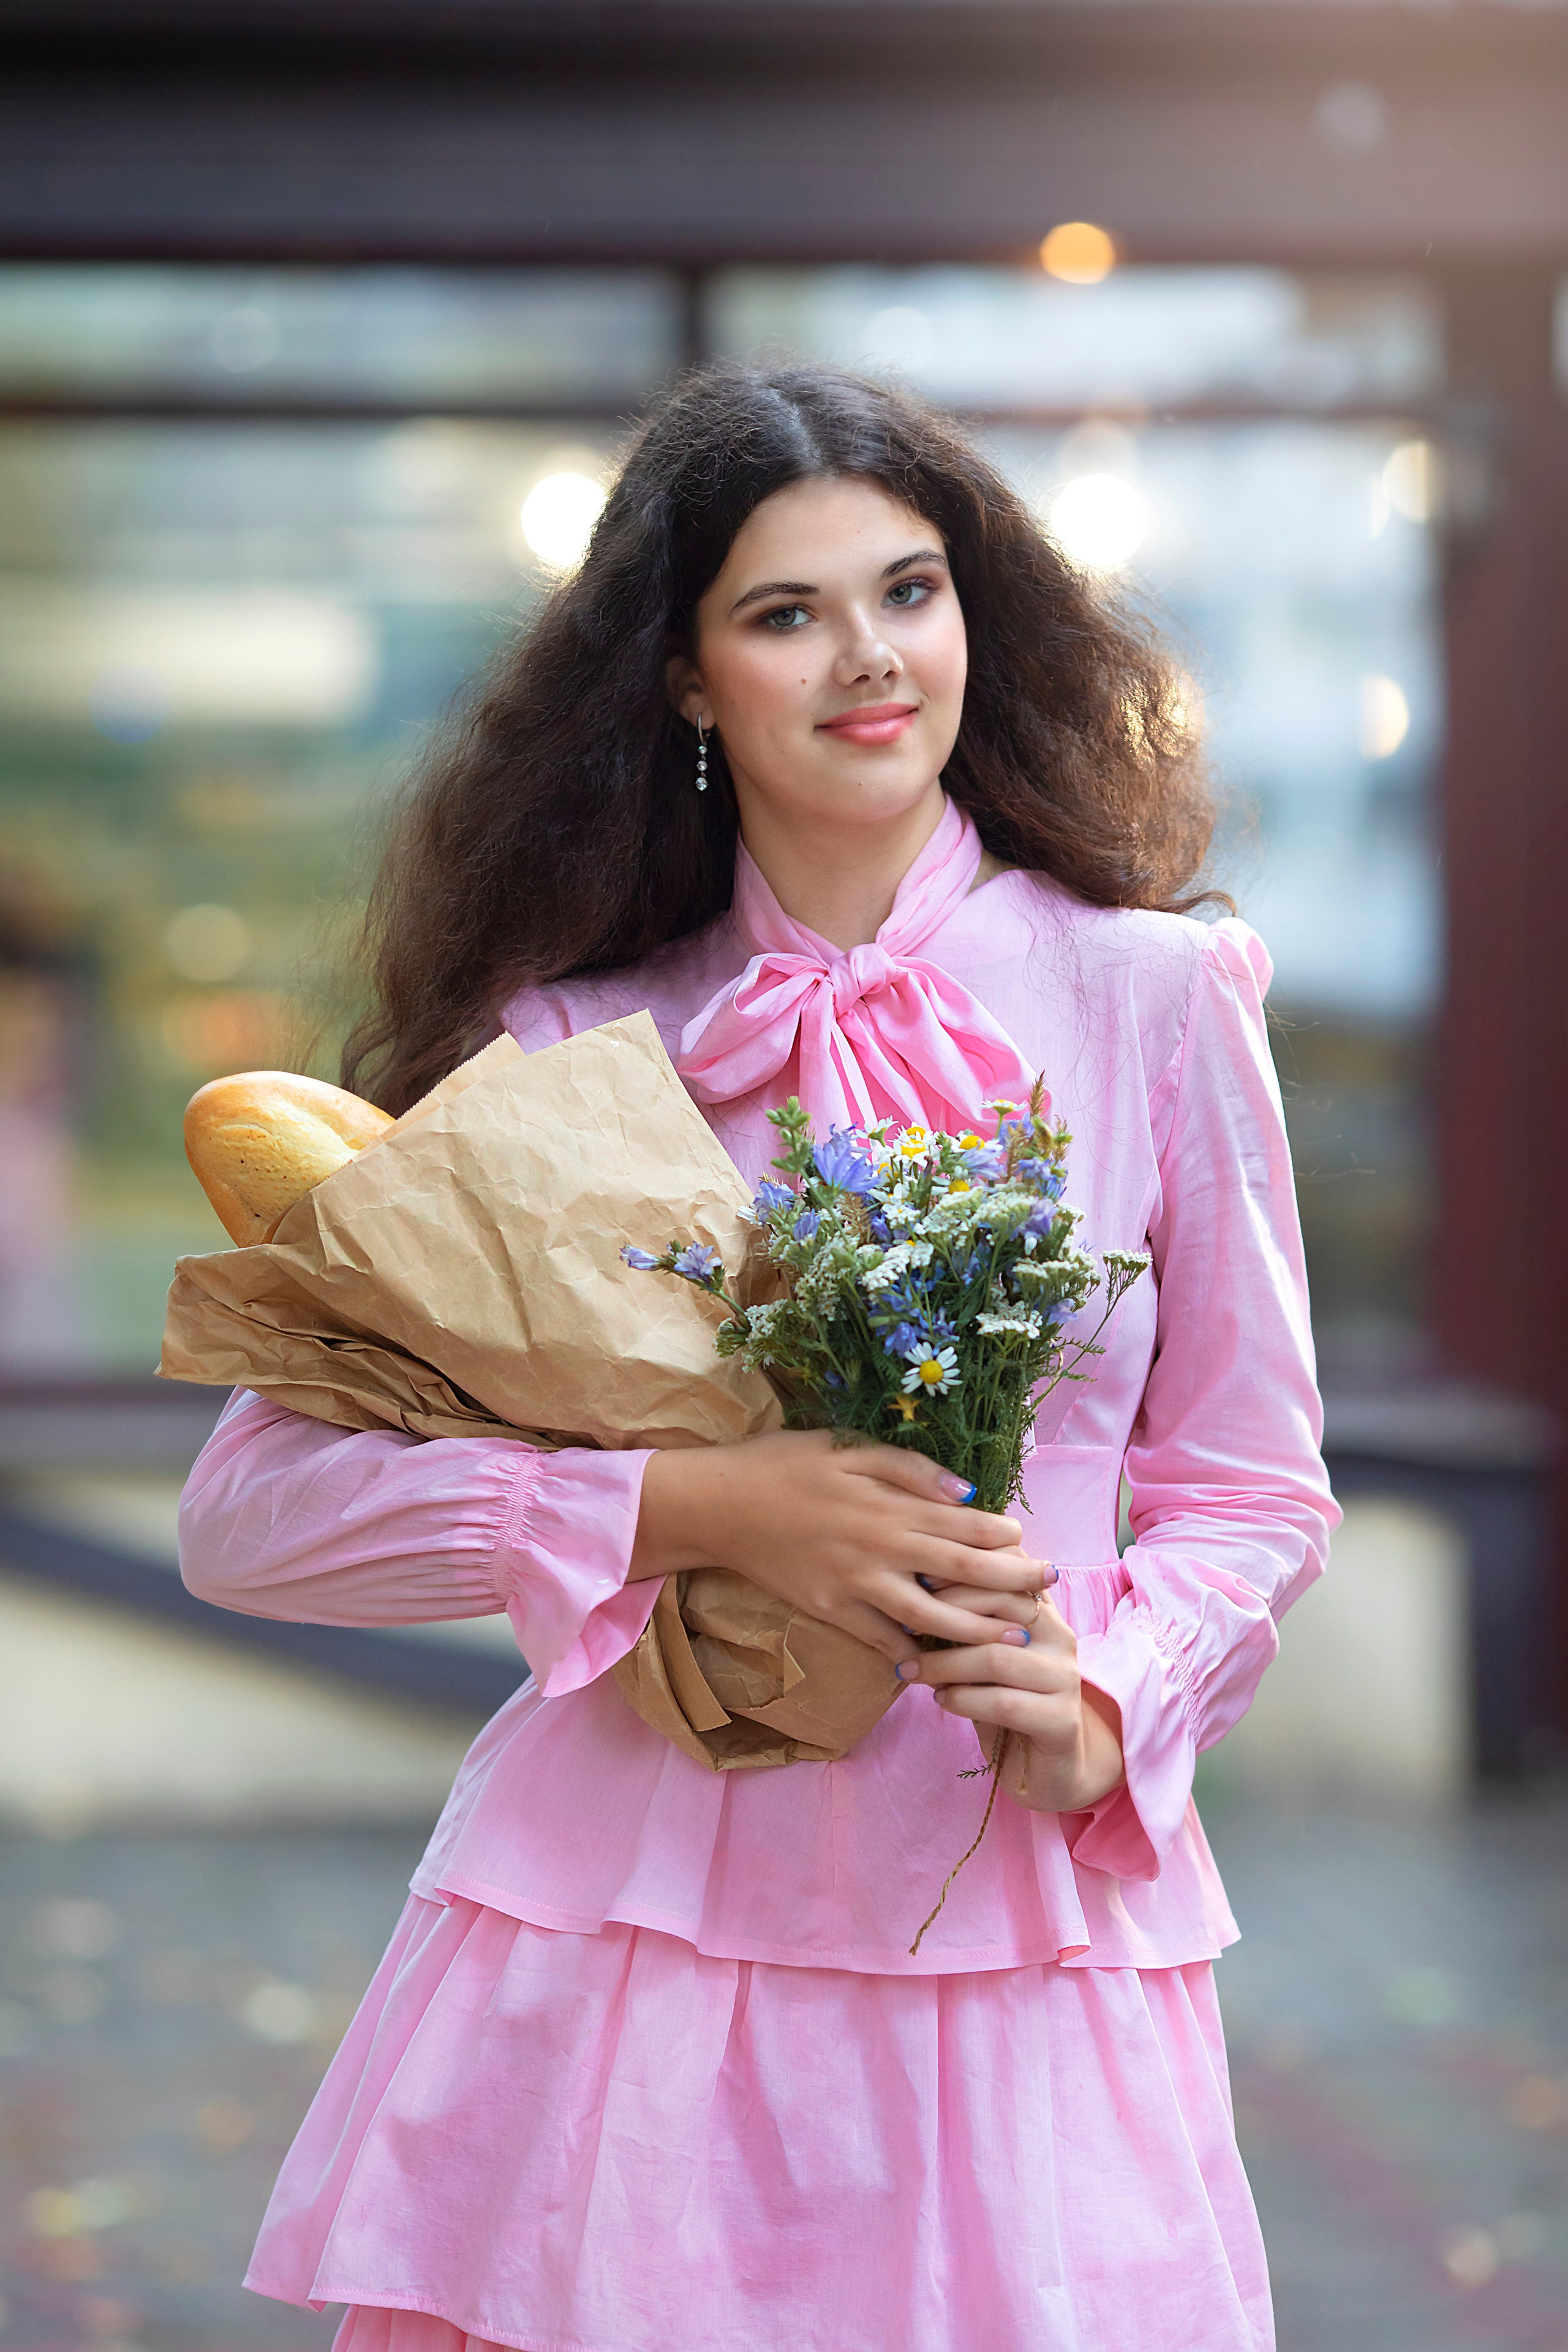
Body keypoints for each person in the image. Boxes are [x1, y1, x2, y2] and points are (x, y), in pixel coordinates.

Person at [179, 364, 1337, 2352]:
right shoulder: (569, 1050)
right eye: (786, 614)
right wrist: (692, 1507)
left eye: (910, 592)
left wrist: (1107, 1696)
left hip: (1017, 1931)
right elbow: (252, 1517)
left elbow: (1252, 1487)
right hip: (634, 1945)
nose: (869, 659)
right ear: (691, 679)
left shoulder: (1158, 1002)